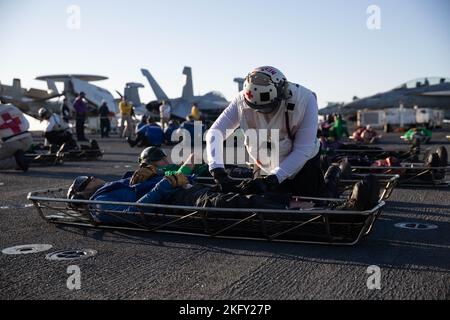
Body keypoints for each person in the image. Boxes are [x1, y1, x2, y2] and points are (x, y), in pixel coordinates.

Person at [206, 66, 327, 197]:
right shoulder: (241, 100)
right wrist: (217, 171)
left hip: (303, 164)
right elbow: (215, 132)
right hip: (264, 162)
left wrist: (273, 179)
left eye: (268, 107)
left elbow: (303, 150)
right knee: (262, 203)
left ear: (282, 94)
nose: (263, 113)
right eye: (257, 108)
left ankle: (333, 175)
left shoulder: (306, 100)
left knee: (311, 201)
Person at [0, 103, 32, 171]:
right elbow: (27, 123)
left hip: (11, 144)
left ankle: (17, 162)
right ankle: (17, 157)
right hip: (27, 140)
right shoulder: (12, 106)